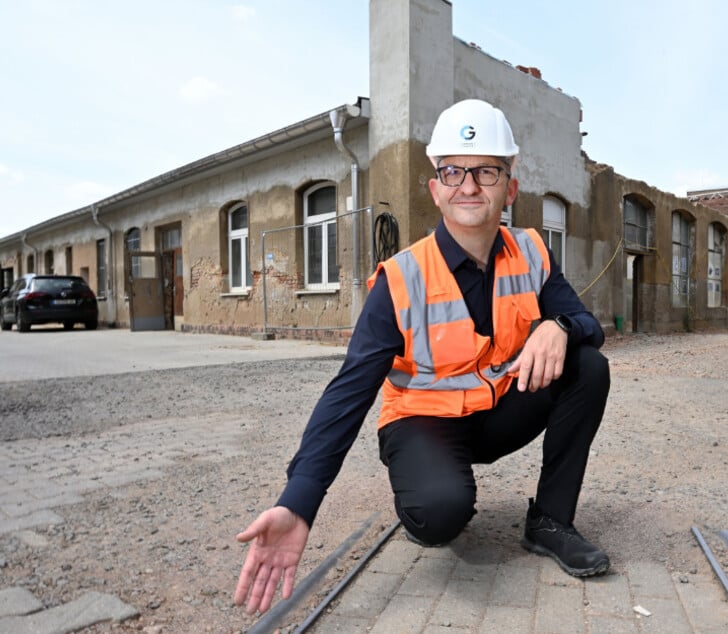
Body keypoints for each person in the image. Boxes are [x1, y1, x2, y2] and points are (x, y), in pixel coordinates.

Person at [234, 98, 611, 615]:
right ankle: (424, 489)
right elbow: (349, 391)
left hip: (496, 415)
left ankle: (550, 522)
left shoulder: (531, 251)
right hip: (421, 423)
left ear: (510, 188)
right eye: (453, 171)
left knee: (587, 364)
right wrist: (299, 501)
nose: (469, 185)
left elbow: (588, 324)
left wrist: (560, 326)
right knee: (440, 514)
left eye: (486, 171)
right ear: (436, 189)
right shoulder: (401, 279)